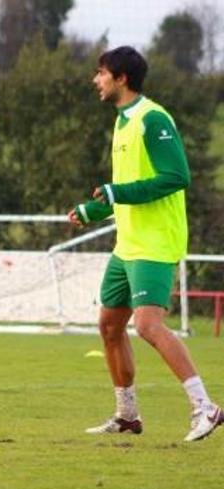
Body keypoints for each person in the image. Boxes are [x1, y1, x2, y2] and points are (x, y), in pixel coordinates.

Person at [69, 46, 222, 442]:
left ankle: (205, 407)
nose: (95, 80)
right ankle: (127, 415)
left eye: (101, 72)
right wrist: (93, 210)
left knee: (148, 325)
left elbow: (177, 177)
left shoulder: (153, 119)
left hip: (155, 242)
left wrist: (115, 192)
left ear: (121, 78)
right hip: (127, 243)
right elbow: (126, 191)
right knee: (108, 325)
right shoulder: (122, 123)